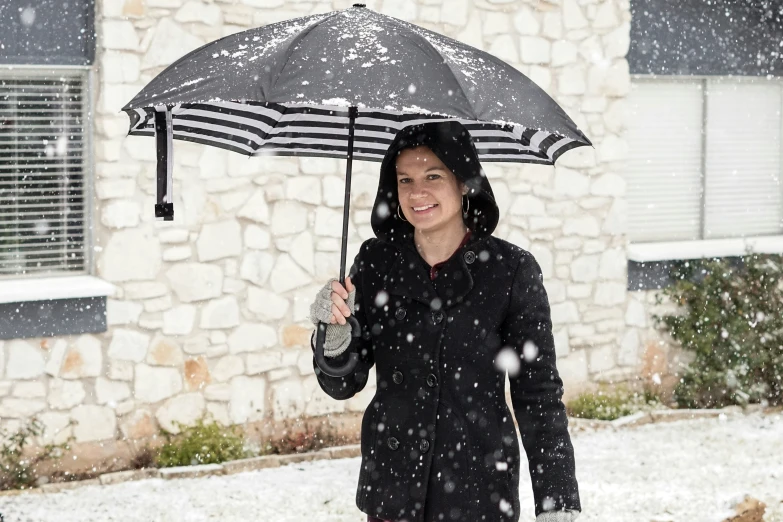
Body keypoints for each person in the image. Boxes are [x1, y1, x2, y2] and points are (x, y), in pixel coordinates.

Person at [309, 121, 580, 522]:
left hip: (477, 494)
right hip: (393, 495)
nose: (417, 193)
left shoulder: (510, 271)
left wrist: (557, 499)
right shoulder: (375, 263)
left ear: (465, 183)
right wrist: (334, 336)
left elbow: (538, 395)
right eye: (405, 179)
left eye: (433, 176)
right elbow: (343, 384)